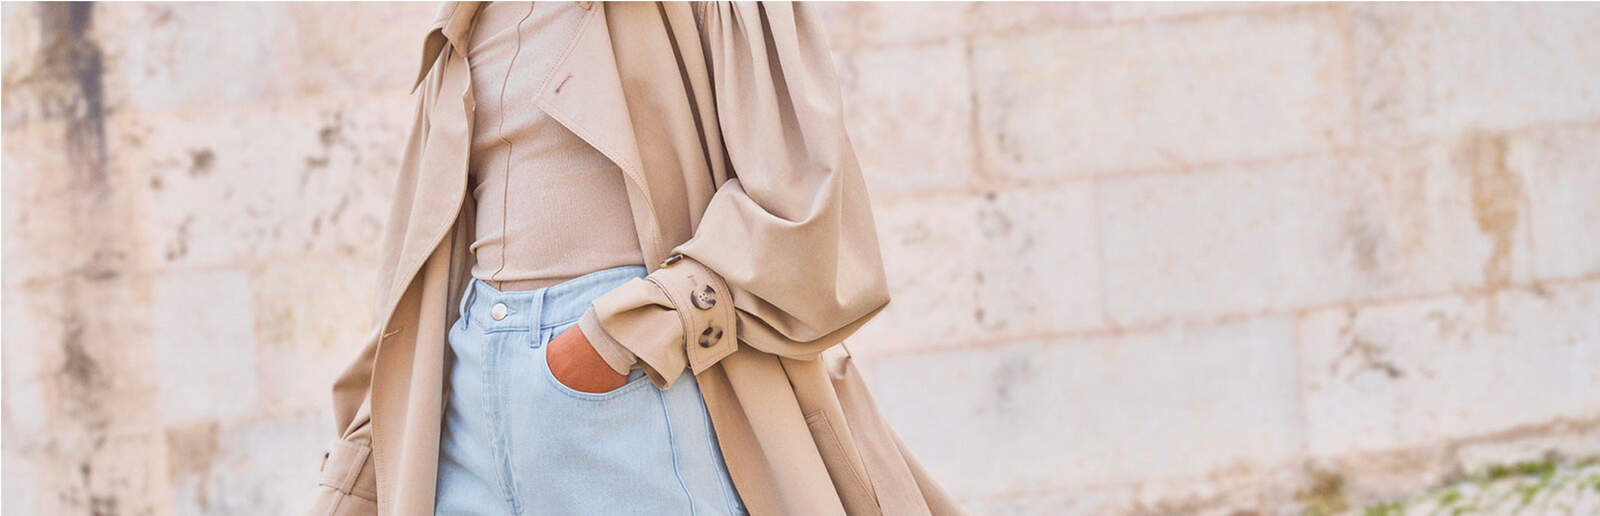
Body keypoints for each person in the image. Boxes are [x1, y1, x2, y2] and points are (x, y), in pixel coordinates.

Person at [306, 2, 962, 515]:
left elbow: (805, 207)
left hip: (634, 385)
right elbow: (425, 264)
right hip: (469, 397)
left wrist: (616, 341)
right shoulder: (468, 17)